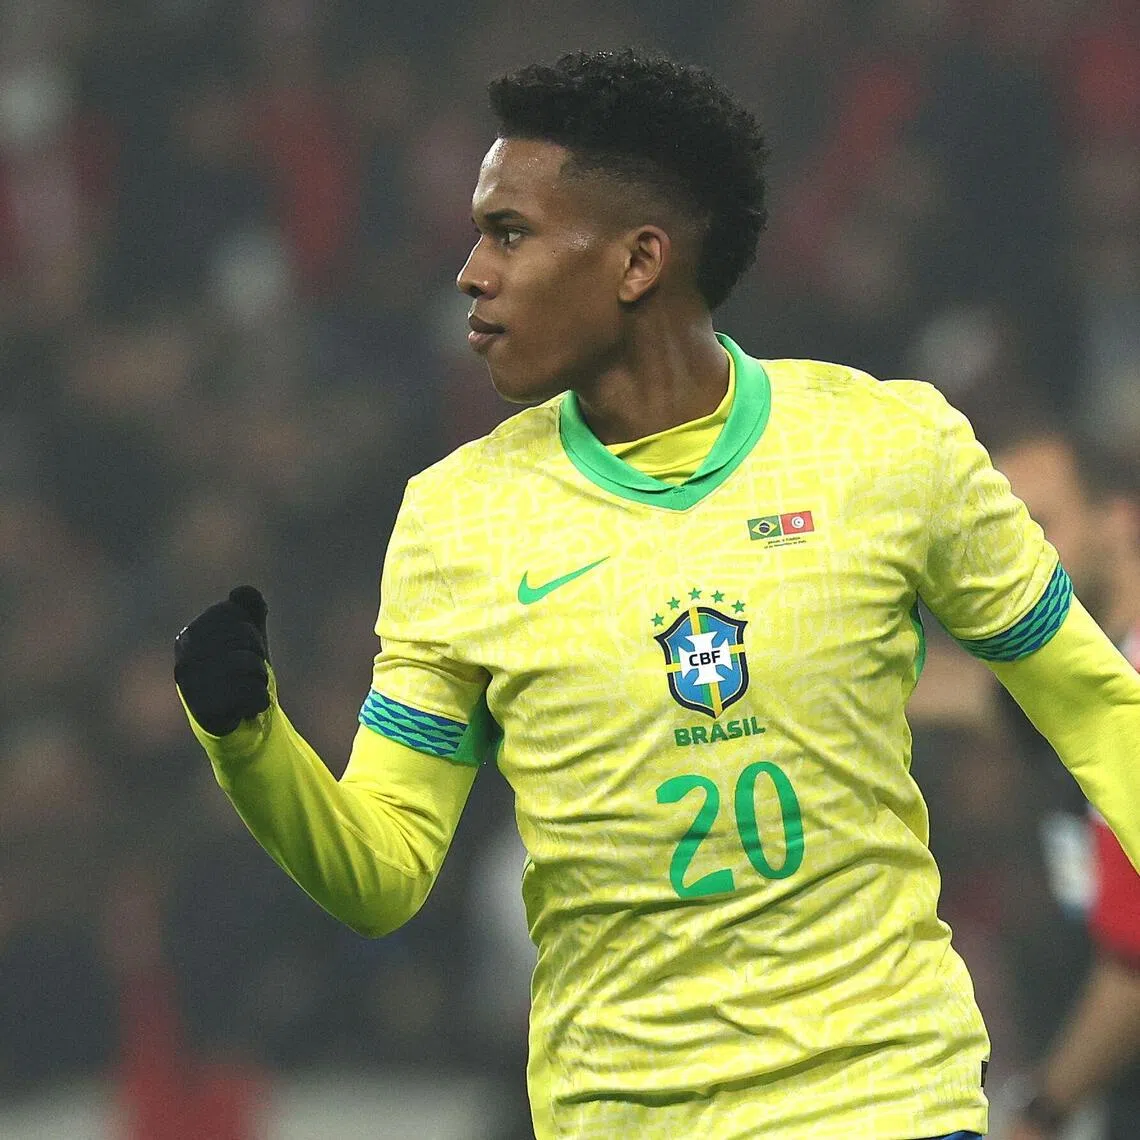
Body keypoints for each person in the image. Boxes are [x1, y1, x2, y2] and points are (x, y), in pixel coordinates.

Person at [173, 49, 1140, 1140]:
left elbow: (1098, 711)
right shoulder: (461, 518)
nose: (470, 273)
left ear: (638, 262)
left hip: (884, 1103)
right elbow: (383, 874)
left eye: (509, 232)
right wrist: (250, 742)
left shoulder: (886, 449)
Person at [990, 429, 1140, 1140]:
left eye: (1040, 523)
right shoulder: (1070, 677)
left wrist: (1042, 1112)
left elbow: (1136, 960)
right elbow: (962, 694)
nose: (1017, 553)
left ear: (1118, 519)